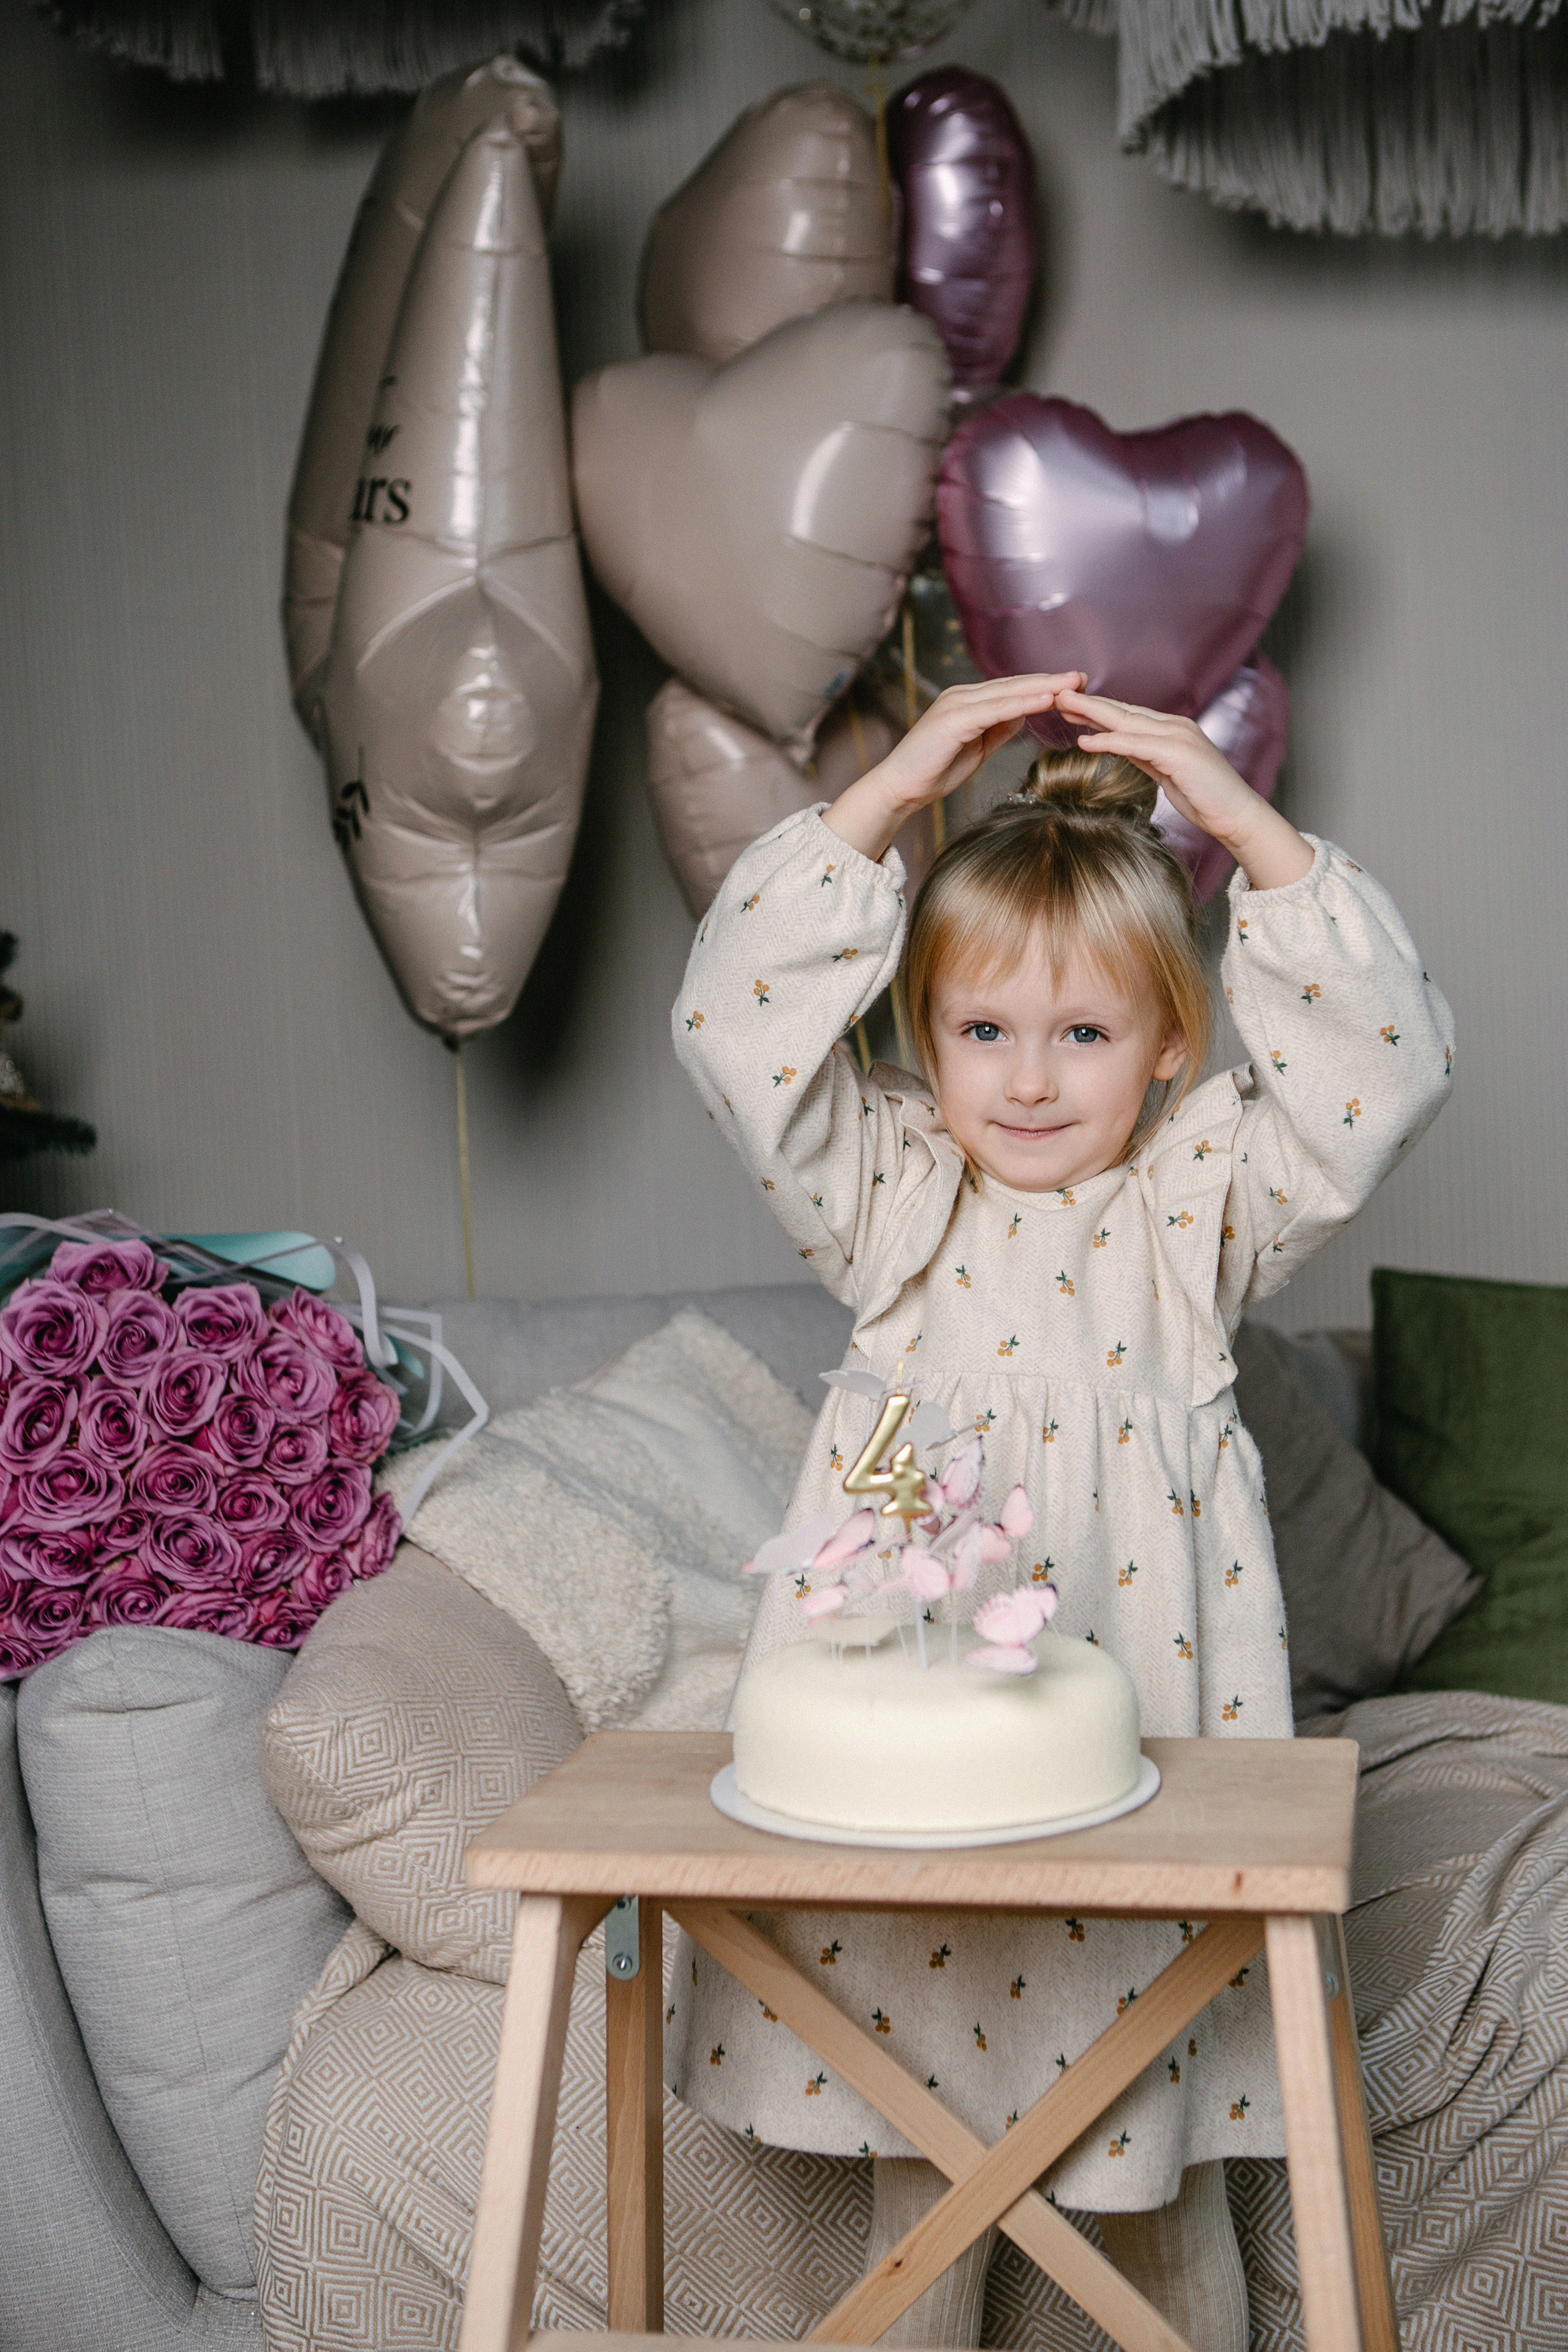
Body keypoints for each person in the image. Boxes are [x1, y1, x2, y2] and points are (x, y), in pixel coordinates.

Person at [667, 671, 1453, 2351]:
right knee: (920, 2163)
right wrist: (893, 789)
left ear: (1172, 1043)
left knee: (1148, 2174)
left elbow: (1384, 1074)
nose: (1027, 1081)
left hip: (1142, 1763)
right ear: (919, 1036)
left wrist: (1243, 824)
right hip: (921, 1775)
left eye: (1083, 1032)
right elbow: (730, 1027)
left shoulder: (1202, 1208)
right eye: (983, 1029)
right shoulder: (889, 1203)